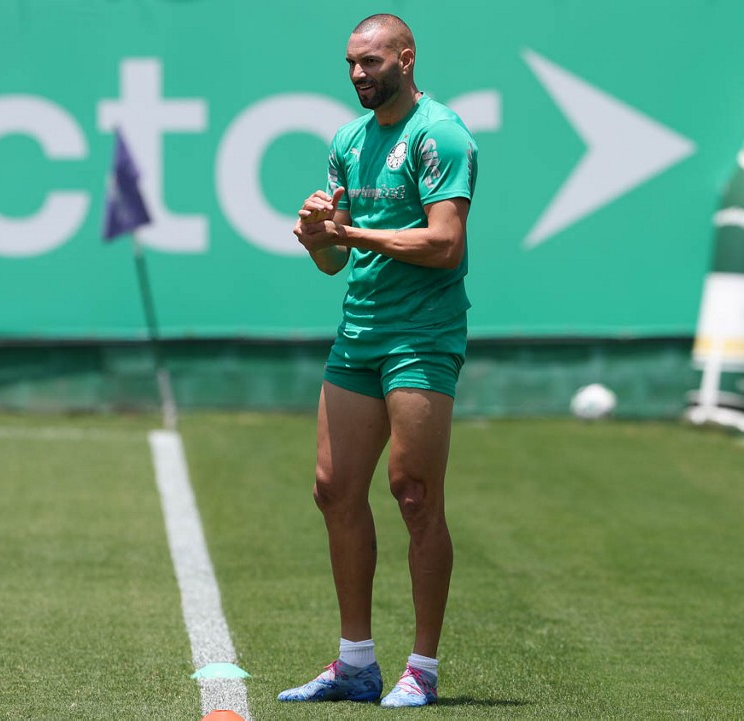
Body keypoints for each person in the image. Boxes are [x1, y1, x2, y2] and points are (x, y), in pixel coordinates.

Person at [278, 13, 477, 708]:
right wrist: (314, 236)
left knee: (414, 493)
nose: (360, 74)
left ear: (406, 57)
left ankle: (421, 665)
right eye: (351, 64)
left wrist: (351, 230)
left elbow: (445, 242)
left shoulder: (440, 134)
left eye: (372, 61)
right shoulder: (346, 140)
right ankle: (356, 662)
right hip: (358, 333)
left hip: (422, 336)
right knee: (332, 487)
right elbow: (335, 262)